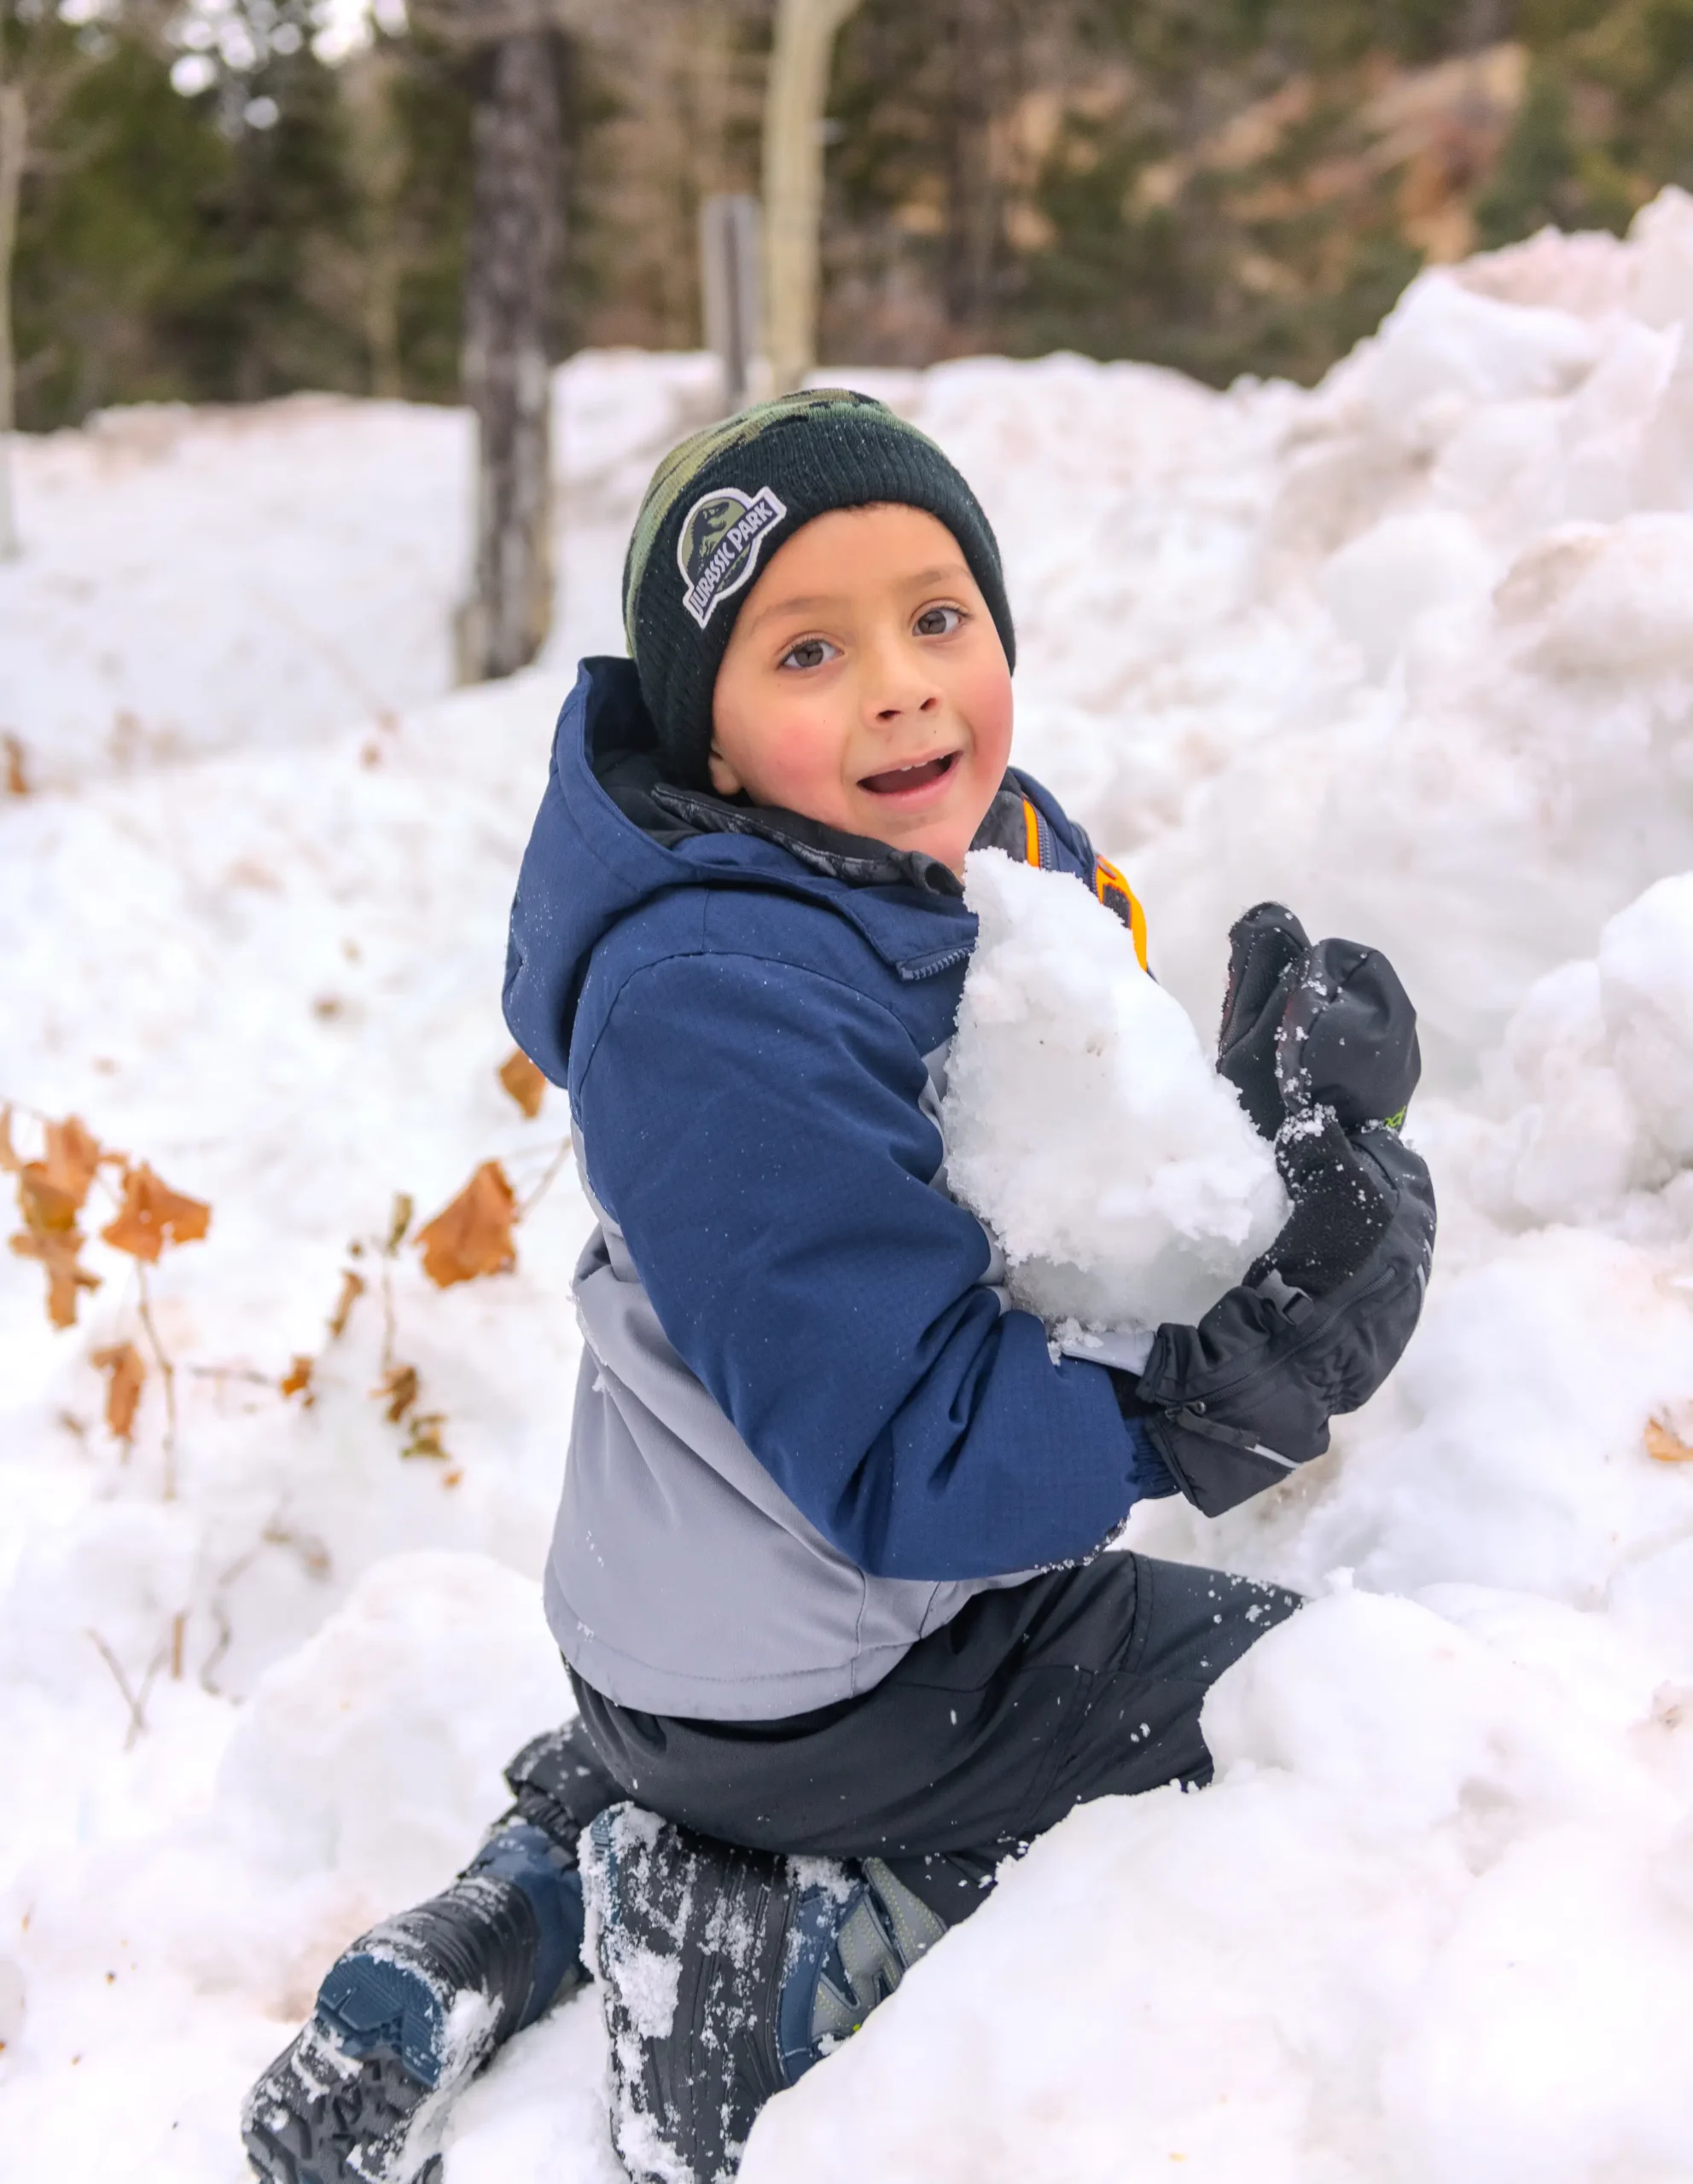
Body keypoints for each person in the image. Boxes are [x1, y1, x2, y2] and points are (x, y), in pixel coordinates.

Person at [241, 391, 1434, 2184]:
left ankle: (538, 1875)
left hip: (700, 1638)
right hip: (835, 1666)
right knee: (1316, 1706)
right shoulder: (715, 1000)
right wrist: (1207, 1393)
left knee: (699, 1735)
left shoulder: (912, 859)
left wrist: (1240, 1170)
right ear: (706, 737)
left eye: (936, 616)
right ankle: (763, 1960)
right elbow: (903, 1457)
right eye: (807, 647)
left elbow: (1034, 1186)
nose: (898, 683)